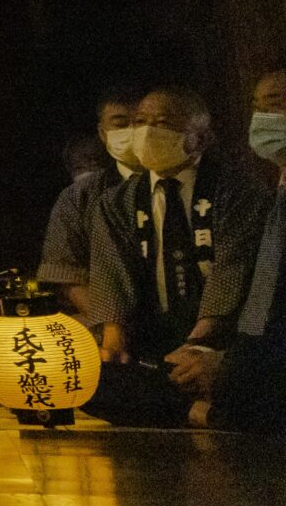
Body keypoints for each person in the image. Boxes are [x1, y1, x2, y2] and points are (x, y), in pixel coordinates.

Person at [83, 85, 269, 427]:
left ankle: (190, 404)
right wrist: (113, 342)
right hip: (152, 342)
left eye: (163, 123)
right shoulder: (117, 202)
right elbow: (112, 275)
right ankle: (195, 411)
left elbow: (233, 268)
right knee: (90, 380)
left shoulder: (237, 190)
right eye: (140, 121)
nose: (147, 131)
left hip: (218, 340)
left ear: (200, 138)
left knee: (241, 375)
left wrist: (199, 342)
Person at [201, 70, 286, 436]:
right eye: (257, 107)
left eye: (277, 104)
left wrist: (233, 365)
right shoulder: (277, 187)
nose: (263, 118)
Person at [38, 87, 143, 313]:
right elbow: (66, 274)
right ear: (103, 133)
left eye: (140, 122)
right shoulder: (80, 195)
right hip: (102, 319)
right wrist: (109, 322)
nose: (132, 131)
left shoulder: (180, 184)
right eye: (120, 124)